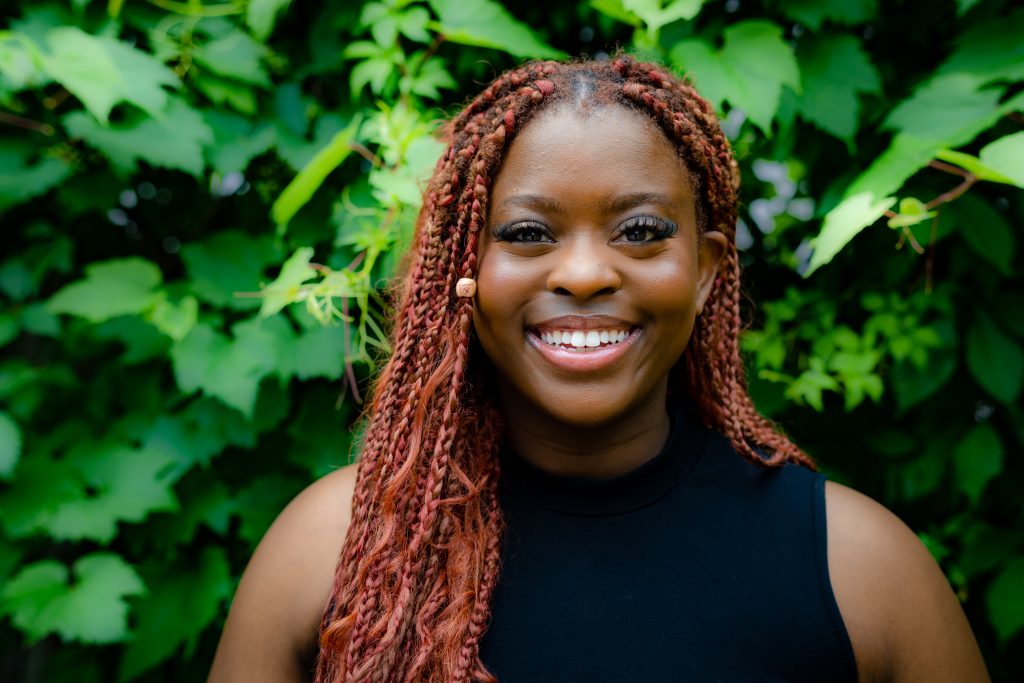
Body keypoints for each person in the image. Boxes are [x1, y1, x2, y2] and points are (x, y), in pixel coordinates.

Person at [208, 57, 989, 683]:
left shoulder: (859, 570)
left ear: (708, 269)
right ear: (463, 265)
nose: (583, 273)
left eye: (641, 230)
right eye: (526, 231)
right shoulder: (332, 549)